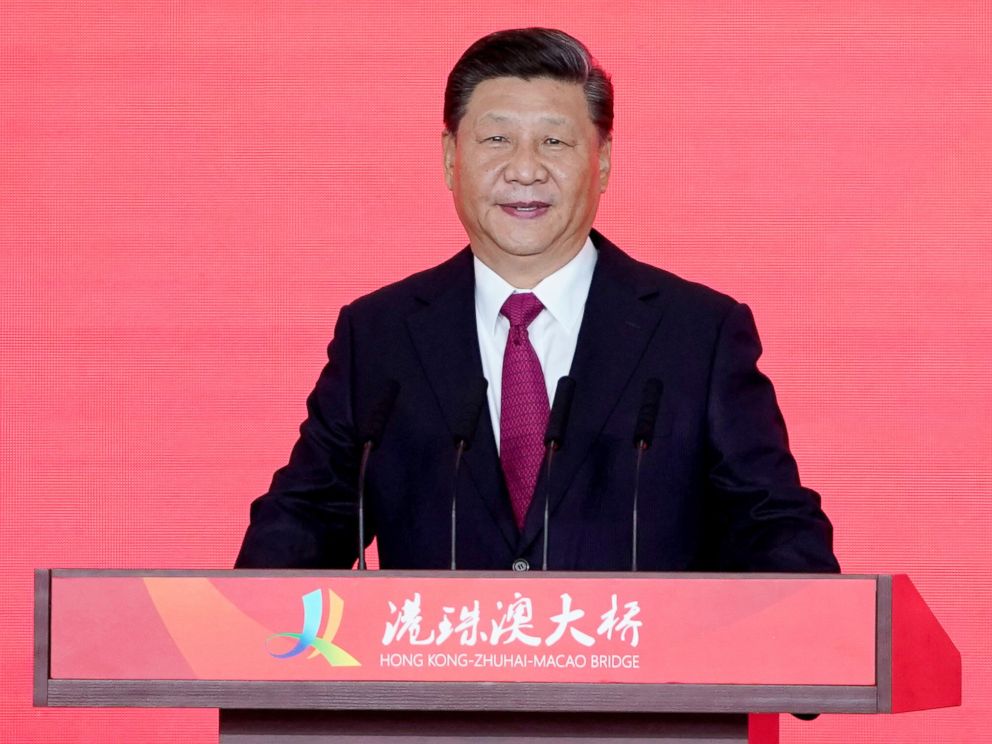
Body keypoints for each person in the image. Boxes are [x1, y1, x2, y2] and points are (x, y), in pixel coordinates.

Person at [235, 28, 839, 573]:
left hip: (646, 696)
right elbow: (305, 522)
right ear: (450, 159)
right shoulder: (380, 336)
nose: (525, 170)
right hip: (437, 695)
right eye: (496, 138)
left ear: (602, 162)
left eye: (555, 141)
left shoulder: (699, 334)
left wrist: (815, 635)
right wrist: (230, 635)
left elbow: (772, 525)